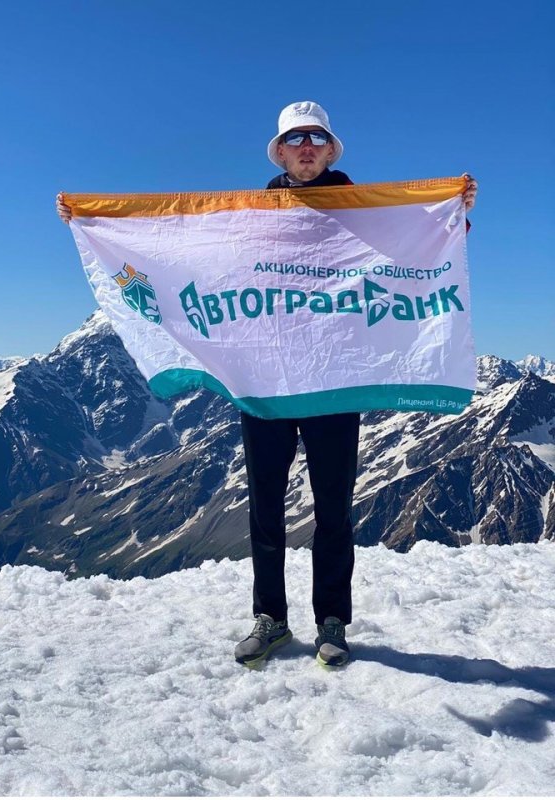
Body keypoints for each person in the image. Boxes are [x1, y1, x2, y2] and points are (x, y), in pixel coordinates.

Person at [55, 101, 478, 669]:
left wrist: (454, 211)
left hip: (334, 382)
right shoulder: (251, 218)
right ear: (280, 152)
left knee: (333, 509)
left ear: (330, 151)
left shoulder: (364, 211)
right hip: (264, 382)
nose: (306, 148)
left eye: (316, 139)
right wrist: (90, 219)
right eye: (295, 139)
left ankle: (332, 621)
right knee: (265, 509)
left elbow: (416, 240)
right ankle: (271, 618)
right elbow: (192, 254)